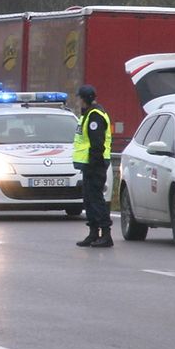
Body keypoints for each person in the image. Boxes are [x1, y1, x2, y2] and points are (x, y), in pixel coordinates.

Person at [73, 84, 113, 248]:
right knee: (89, 199)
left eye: (79, 98)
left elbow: (97, 144)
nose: (78, 102)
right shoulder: (88, 114)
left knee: (96, 200)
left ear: (84, 99)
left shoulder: (95, 116)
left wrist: (93, 165)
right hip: (89, 164)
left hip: (95, 164)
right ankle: (93, 233)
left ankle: (106, 234)